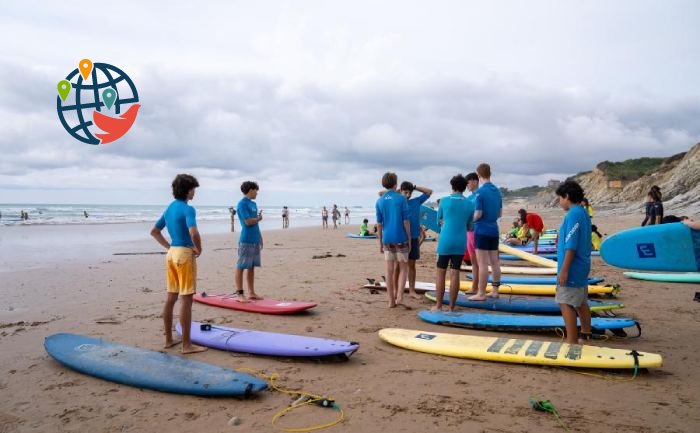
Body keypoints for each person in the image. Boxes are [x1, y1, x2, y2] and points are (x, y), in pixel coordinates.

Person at [150, 173, 207, 354]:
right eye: (193, 189)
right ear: (187, 190)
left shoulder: (169, 209)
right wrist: (198, 248)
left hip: (172, 254)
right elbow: (194, 232)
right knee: (186, 300)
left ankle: (168, 340)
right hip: (184, 254)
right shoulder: (188, 209)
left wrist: (169, 247)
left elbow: (154, 231)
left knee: (171, 298)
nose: (194, 193)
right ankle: (186, 345)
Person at [554, 180, 592, 344]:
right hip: (582, 265)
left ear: (567, 196)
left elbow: (571, 245)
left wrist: (564, 269)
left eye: (560, 198)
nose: (560, 202)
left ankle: (571, 341)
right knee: (581, 302)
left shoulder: (573, 214)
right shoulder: (582, 212)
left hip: (573, 267)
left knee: (565, 302)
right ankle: (585, 335)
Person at [432, 175, 473, 311]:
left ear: (452, 186)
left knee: (440, 272)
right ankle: (452, 307)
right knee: (455, 273)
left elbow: (438, 222)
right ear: (464, 187)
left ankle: (438, 305)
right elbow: (470, 226)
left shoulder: (443, 201)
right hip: (460, 241)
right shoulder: (469, 204)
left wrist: (445, 223)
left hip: (445, 240)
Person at [376, 172, 410, 308]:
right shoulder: (401, 199)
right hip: (401, 236)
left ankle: (390, 300)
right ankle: (400, 296)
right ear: (396, 184)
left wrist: (380, 242)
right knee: (403, 268)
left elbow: (379, 224)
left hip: (387, 237)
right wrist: (409, 239)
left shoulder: (379, 200)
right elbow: (406, 221)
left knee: (389, 270)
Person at [468, 163, 502, 301]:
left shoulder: (480, 192)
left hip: (482, 230)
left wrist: (471, 220)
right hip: (494, 229)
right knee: (494, 262)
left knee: (482, 263)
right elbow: (500, 213)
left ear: (479, 175)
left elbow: (478, 213)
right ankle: (495, 291)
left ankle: (481, 293)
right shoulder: (497, 191)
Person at [398, 181, 433, 299]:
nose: (408, 195)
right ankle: (397, 290)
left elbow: (429, 192)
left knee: (411, 265)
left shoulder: (416, 201)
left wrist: (415, 187)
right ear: (401, 191)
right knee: (399, 265)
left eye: (409, 193)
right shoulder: (397, 202)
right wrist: (399, 190)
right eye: (405, 192)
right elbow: (381, 194)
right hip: (400, 238)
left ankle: (412, 290)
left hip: (413, 238)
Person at [235, 181, 263, 300]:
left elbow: (255, 223)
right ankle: (240, 294)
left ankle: (251, 292)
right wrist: (258, 218)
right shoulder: (242, 204)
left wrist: (260, 237)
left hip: (255, 238)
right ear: (250, 190)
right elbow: (247, 222)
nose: (257, 192)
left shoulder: (254, 204)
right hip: (246, 239)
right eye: (256, 190)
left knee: (252, 267)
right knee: (241, 266)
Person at [463, 172, 480, 294]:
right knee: (474, 262)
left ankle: (478, 288)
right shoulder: (469, 198)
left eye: (467, 183)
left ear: (474, 181)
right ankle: (475, 286)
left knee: (480, 262)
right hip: (470, 232)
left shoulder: (481, 195)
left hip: (478, 231)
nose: (466, 185)